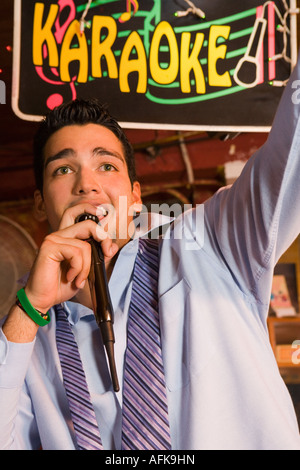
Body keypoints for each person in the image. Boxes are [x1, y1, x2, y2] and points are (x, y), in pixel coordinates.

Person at [2, 56, 300, 451]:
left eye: (106, 165)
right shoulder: (23, 333)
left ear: (136, 196)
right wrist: (30, 307)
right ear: (40, 204)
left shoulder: (211, 240)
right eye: (62, 170)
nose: (86, 185)